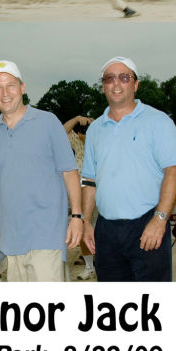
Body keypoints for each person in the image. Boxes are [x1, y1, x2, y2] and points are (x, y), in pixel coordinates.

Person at [0, 60, 83, 282]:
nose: (5, 92)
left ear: (22, 88)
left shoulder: (48, 122)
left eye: (11, 85)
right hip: (11, 242)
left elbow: (69, 171)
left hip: (47, 238)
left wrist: (77, 216)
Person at [81, 57, 176, 282]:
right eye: (110, 78)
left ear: (135, 84)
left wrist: (160, 219)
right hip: (106, 230)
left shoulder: (158, 121)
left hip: (147, 223)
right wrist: (86, 222)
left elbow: (173, 173)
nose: (116, 83)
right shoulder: (95, 130)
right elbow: (89, 180)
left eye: (124, 77)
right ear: (103, 86)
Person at [64, 115, 96, 281]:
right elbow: (63, 131)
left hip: (104, 190)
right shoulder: (80, 144)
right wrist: (76, 119)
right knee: (84, 227)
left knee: (102, 230)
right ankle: (90, 266)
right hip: (83, 190)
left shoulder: (105, 141)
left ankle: (97, 263)